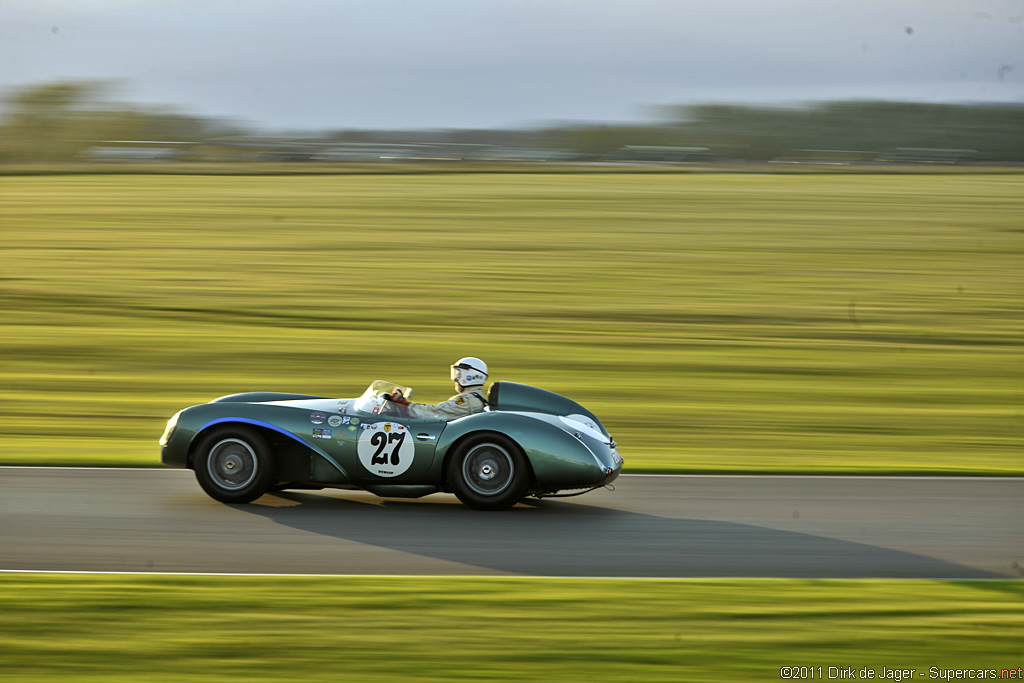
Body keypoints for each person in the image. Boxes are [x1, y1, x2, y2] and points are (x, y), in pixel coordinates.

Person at [384, 357, 489, 420]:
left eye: (459, 374)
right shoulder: (473, 398)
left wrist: (405, 406)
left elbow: (434, 413)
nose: (455, 379)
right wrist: (406, 404)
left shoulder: (467, 400)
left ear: (472, 376)